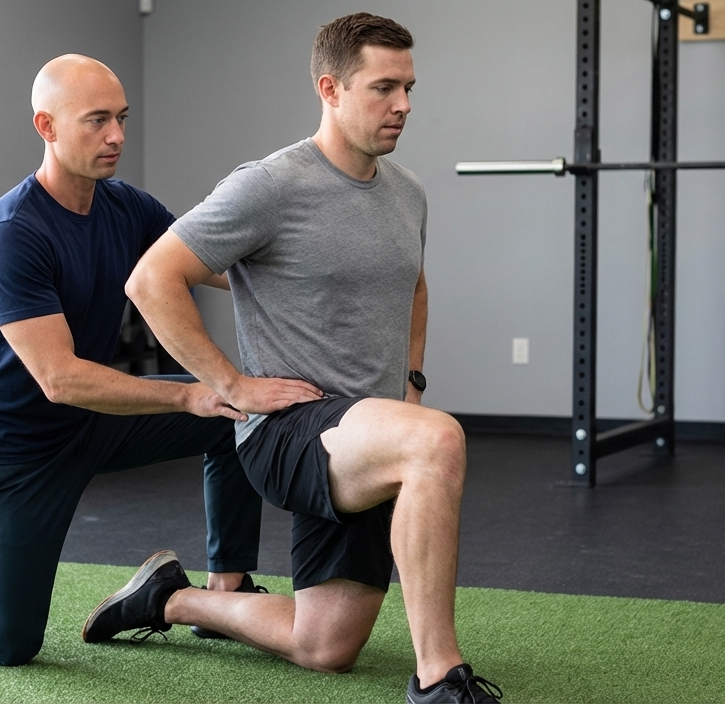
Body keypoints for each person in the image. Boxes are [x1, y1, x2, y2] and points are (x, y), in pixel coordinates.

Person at [83, 13, 502, 704]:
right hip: (290, 431)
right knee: (437, 444)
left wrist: (412, 382)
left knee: (324, 645)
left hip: (366, 438)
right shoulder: (270, 185)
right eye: (384, 87)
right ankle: (439, 678)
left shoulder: (407, 193)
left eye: (409, 87)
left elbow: (414, 284)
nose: (403, 104)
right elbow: (151, 279)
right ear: (331, 89)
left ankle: (170, 599)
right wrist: (231, 384)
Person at [0, 54, 271, 667]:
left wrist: (307, 272)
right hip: (8, 451)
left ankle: (225, 595)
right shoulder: (11, 234)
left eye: (122, 119)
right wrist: (188, 392)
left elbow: (214, 270)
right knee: (5, 642)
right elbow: (60, 376)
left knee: (238, 415)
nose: (117, 136)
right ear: (45, 126)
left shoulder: (128, 209)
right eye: (97, 121)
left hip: (90, 422)